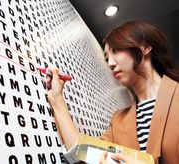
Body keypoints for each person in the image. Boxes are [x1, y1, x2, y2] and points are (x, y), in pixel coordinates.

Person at [45, 21, 179, 164]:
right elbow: (82, 153)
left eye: (115, 50)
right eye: (107, 58)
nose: (110, 64)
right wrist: (56, 98)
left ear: (145, 47)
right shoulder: (118, 120)